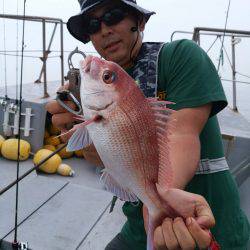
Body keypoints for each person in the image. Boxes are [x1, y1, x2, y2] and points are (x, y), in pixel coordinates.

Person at [46, 0, 250, 249]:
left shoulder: (180, 56)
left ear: (139, 21)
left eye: (113, 15)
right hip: (138, 225)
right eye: (92, 24)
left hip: (206, 223)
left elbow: (181, 133)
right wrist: (78, 129)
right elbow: (108, 159)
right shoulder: (96, 89)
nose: (104, 30)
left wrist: (162, 201)